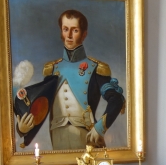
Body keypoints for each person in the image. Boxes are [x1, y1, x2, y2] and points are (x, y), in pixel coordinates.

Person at [15, 9, 125, 150]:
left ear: (84, 34)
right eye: (65, 29)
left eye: (75, 30)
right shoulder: (51, 69)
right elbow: (40, 105)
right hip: (57, 136)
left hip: (87, 136)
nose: (69, 35)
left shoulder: (96, 68)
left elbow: (116, 99)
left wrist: (100, 128)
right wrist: (23, 129)